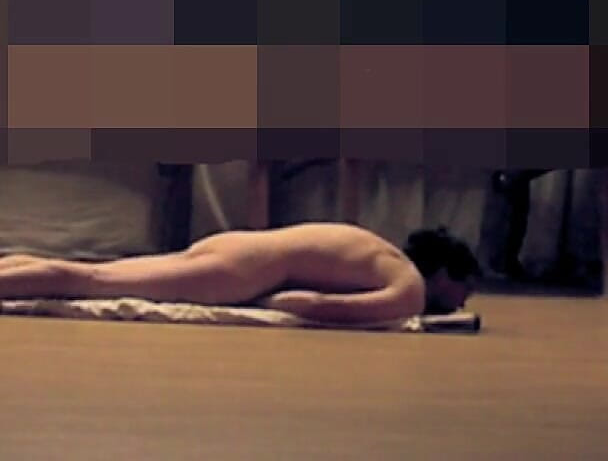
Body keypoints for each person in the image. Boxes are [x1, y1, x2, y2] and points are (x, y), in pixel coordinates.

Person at [0, 222, 479, 325]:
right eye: (463, 288)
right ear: (443, 273)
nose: (462, 302)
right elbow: (320, 308)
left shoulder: (380, 248)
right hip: (245, 271)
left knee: (91, 274)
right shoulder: (410, 288)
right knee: (88, 283)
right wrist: (269, 302)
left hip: (238, 246)